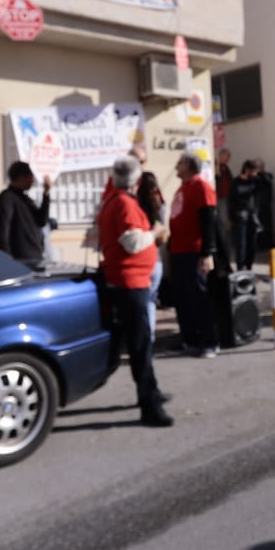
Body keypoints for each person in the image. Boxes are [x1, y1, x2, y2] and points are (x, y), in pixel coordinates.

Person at [97, 157, 173, 427]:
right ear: (136, 180)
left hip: (127, 281)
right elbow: (132, 242)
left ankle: (151, 393)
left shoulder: (113, 202)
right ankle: (149, 406)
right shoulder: (124, 204)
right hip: (130, 283)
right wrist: (154, 232)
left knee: (135, 344)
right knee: (140, 347)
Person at [168, 153, 220, 358]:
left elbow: (209, 220)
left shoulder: (201, 186)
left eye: (180, 163)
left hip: (194, 251)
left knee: (200, 298)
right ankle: (189, 339)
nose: (176, 165)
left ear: (189, 166)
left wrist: (207, 252)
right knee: (182, 299)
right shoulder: (183, 188)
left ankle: (210, 341)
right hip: (179, 251)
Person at [0, 161, 52, 267]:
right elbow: (2, 229)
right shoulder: (7, 197)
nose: (33, 180)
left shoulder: (26, 199)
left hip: (35, 258)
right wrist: (6, 259)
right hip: (19, 261)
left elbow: (41, 221)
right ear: (21, 177)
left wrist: (46, 194)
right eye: (30, 176)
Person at [136, 170, 168, 338]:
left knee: (142, 303)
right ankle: (151, 336)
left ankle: (144, 337)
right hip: (157, 261)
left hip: (143, 261)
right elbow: (162, 233)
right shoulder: (159, 207)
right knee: (151, 302)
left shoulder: (135, 207)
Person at [228, 161, 262, 271]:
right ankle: (240, 267)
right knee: (241, 244)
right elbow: (232, 199)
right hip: (240, 217)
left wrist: (258, 175)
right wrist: (231, 217)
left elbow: (268, 181)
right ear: (246, 169)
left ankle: (249, 266)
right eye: (252, 170)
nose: (253, 173)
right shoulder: (236, 182)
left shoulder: (255, 182)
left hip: (252, 216)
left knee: (252, 244)